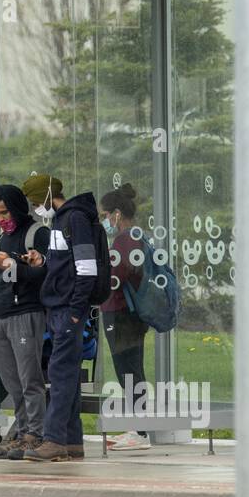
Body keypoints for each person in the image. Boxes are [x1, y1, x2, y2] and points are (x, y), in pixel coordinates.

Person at [21, 174, 99, 463]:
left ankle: (54, 440)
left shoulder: (73, 219)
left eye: (34, 202)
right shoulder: (59, 220)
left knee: (60, 375)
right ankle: (72, 440)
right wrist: (41, 262)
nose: (34, 208)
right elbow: (64, 266)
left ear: (46, 196)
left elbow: (86, 268)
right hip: (60, 308)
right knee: (66, 375)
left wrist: (77, 314)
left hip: (68, 310)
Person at [0, 184, 49, 460]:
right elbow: (3, 277)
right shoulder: (4, 237)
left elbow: (47, 273)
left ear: (17, 208)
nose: (0, 219)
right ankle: (22, 432)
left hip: (26, 313)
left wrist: (15, 266)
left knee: (29, 378)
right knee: (12, 382)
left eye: (4, 212)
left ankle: (36, 434)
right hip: (1, 314)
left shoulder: (37, 233)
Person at [99, 183, 152, 452]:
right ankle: (136, 428)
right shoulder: (136, 236)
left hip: (120, 312)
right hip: (129, 313)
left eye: (105, 215)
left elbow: (114, 279)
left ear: (116, 214)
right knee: (132, 370)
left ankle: (139, 432)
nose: (104, 220)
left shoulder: (124, 240)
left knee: (127, 371)